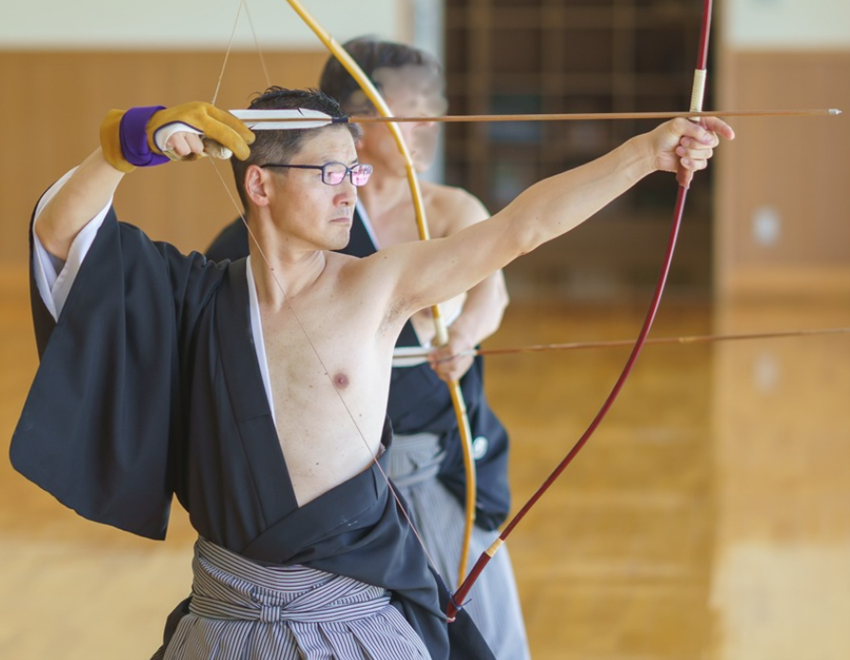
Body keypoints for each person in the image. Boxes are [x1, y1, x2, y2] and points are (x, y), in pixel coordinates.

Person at [10, 86, 733, 659]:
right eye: (329, 173)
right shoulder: (190, 295)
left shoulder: (375, 286)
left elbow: (521, 228)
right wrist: (127, 144)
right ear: (259, 184)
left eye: (353, 171)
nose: (349, 192)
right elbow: (60, 233)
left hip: (352, 619)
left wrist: (644, 153)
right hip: (227, 621)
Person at [208, 38, 529, 658]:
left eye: (436, 103)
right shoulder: (281, 229)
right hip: (330, 491)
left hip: (428, 463)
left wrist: (464, 337)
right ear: (356, 117)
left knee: (482, 633)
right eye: (413, 105)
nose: (430, 120)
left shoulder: (449, 208)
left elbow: (494, 289)